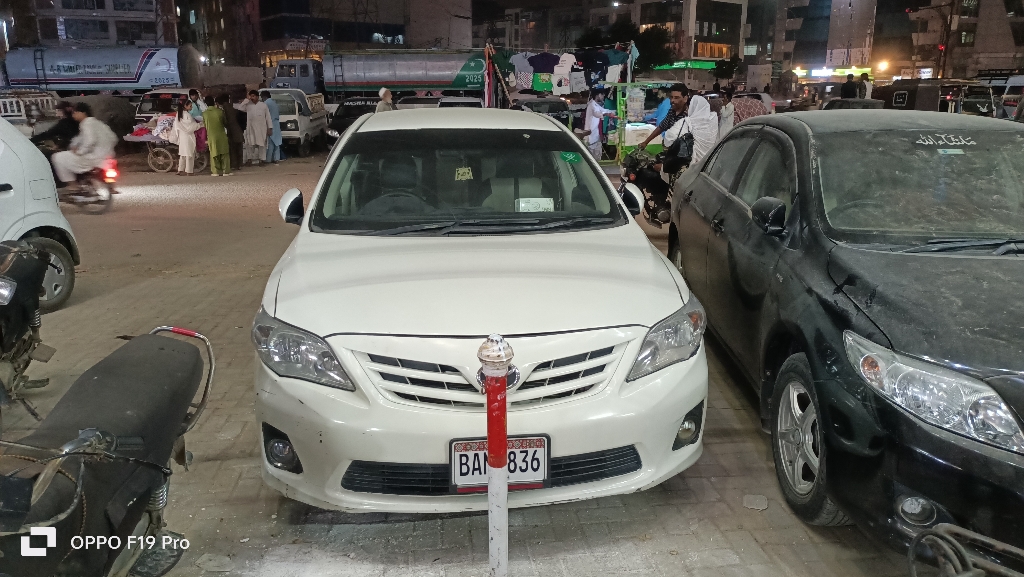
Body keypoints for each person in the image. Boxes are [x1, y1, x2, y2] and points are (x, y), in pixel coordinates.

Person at [50, 102, 118, 191]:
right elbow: (114, 138)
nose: (73, 115)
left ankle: (72, 186)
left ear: (83, 113)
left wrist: (80, 151)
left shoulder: (86, 123)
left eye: (75, 112)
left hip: (93, 158)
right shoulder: (99, 123)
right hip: (108, 157)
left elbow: (90, 140)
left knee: (57, 157)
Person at [662, 94, 719, 171]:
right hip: (709, 164)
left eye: (688, 108)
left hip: (691, 166)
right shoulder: (713, 120)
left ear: (691, 107)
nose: (686, 110)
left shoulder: (686, 122)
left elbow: (668, 139)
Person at [638, 83, 690, 150]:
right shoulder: (672, 111)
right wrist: (645, 142)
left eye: (676, 98)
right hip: (670, 148)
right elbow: (661, 127)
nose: (672, 100)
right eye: (671, 97)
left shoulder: (688, 116)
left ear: (685, 99)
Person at [235, 90, 272, 166]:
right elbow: (240, 108)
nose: (252, 98)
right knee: (249, 145)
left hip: (261, 129)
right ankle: (249, 160)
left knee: (262, 145)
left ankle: (262, 160)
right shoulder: (248, 105)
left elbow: (268, 117)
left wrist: (270, 128)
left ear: (257, 97)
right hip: (251, 129)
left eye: (253, 96)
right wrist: (246, 100)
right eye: (250, 96)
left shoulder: (263, 105)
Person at [202, 95, 231, 177]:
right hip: (221, 134)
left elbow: (204, 125)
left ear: (206, 104)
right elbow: (225, 123)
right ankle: (226, 171)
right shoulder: (220, 112)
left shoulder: (204, 114)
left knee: (214, 154)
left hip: (211, 136)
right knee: (224, 153)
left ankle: (215, 171)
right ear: (214, 102)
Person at [584, 89, 617, 159]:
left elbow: (604, 110)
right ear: (598, 95)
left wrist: (615, 112)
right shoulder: (591, 105)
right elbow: (597, 114)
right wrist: (607, 114)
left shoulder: (596, 105)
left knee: (598, 154)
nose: (603, 97)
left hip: (596, 133)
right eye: (602, 95)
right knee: (590, 155)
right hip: (590, 134)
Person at [217, 93, 244, 172]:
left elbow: (224, 121)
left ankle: (233, 164)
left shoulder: (223, 109)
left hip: (230, 131)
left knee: (232, 148)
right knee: (239, 148)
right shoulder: (234, 107)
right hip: (238, 130)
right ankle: (239, 164)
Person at [172, 100, 200, 176]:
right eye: (190, 106)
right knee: (189, 154)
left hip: (182, 136)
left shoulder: (178, 114)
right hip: (188, 136)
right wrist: (200, 125)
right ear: (185, 106)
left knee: (183, 154)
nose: (191, 107)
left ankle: (180, 170)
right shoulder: (187, 115)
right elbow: (190, 127)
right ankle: (189, 171)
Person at [261, 91, 283, 164]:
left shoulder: (266, 104)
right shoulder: (274, 103)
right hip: (276, 124)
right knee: (276, 142)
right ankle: (276, 158)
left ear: (264, 97)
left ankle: (268, 159)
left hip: (270, 124)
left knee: (270, 143)